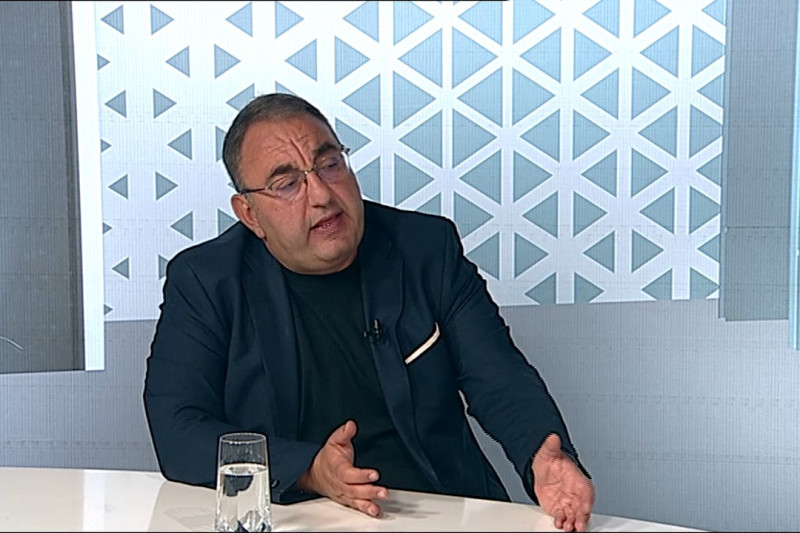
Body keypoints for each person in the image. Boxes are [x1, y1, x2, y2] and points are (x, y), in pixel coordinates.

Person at [143, 93, 595, 531]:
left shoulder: (425, 249)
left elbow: (497, 375)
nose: (321, 194)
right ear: (250, 214)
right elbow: (177, 427)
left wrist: (544, 454)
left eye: (329, 164)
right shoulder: (206, 281)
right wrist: (309, 469)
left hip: (436, 508)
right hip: (300, 517)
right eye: (287, 184)